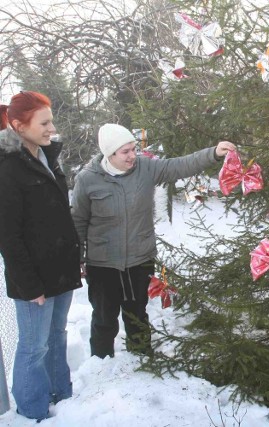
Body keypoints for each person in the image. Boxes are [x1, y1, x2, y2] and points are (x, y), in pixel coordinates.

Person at [71, 123, 235, 358]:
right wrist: (76, 258)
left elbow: (178, 166)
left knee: (137, 315)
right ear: (110, 153)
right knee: (104, 319)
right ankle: (101, 364)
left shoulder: (145, 168)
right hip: (103, 264)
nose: (132, 156)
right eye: (125, 151)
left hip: (139, 260)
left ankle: (142, 361)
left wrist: (213, 153)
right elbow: (78, 220)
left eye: (133, 149)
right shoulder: (88, 180)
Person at [0, 91, 82, 421]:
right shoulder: (7, 170)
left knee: (56, 336)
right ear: (19, 126)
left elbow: (57, 214)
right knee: (34, 347)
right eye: (44, 122)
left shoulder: (48, 158)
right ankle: (33, 411)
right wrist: (30, 284)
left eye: (51, 120)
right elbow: (8, 235)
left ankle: (61, 395)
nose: (52, 128)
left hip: (60, 268)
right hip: (34, 278)